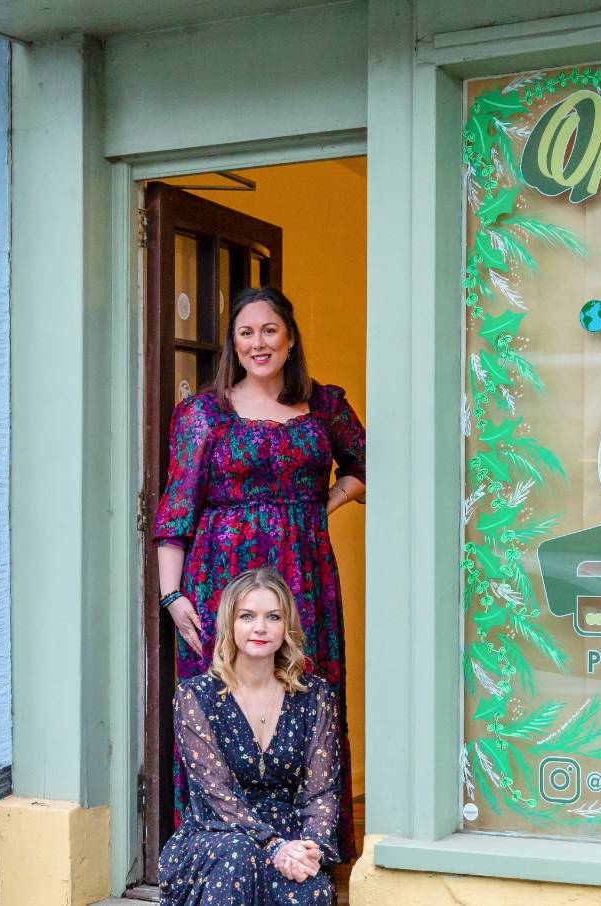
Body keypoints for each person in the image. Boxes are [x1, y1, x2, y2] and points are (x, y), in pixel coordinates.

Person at [153, 286, 364, 860]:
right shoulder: (203, 414)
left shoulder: (324, 406)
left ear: (289, 337)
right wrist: (172, 596)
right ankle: (222, 847)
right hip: (221, 577)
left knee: (305, 700)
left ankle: (308, 849)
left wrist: (325, 503)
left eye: (269, 330)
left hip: (304, 577)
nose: (258, 343)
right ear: (233, 344)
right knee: (221, 703)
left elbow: (372, 464)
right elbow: (174, 514)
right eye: (246, 333)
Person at [159, 567, 339, 905]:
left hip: (289, 838)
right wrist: (272, 844)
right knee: (238, 856)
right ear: (230, 623)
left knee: (312, 891)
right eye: (247, 616)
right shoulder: (196, 696)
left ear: (287, 626)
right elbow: (216, 792)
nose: (260, 628)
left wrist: (310, 848)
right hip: (217, 835)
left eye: (273, 617)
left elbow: (322, 792)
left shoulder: (314, 696)